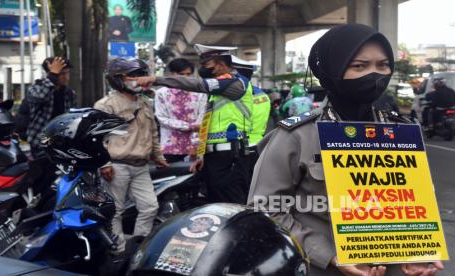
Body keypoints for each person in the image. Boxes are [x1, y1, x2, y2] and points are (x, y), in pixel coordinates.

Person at [247, 24, 445, 276]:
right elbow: (264, 209)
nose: (375, 75)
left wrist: (420, 252)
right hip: (321, 268)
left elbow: (415, 203)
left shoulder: (401, 132)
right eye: (359, 66)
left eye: (383, 65)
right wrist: (328, 256)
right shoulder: (297, 136)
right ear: (331, 70)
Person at [130, 44, 253, 204]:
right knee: (215, 201)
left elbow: (197, 85)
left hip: (231, 155)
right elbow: (207, 124)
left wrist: (156, 79)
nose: (206, 71)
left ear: (221, 65)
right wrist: (203, 154)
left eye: (208, 66)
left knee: (231, 202)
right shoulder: (219, 91)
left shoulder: (235, 84)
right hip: (215, 155)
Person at [94, 58, 168, 253]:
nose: (139, 80)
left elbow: (152, 133)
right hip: (117, 166)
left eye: (141, 75)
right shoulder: (106, 105)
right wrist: (104, 164)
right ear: (118, 79)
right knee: (116, 211)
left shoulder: (144, 103)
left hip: (141, 166)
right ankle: (117, 251)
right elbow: (96, 139)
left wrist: (158, 155)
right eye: (134, 76)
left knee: (150, 206)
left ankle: (137, 248)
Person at [155, 58, 207, 163]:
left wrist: (196, 144)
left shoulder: (200, 93)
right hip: (170, 148)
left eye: (189, 74)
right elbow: (162, 119)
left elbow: (202, 117)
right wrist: (190, 126)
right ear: (172, 74)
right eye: (182, 74)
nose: (186, 77)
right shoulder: (162, 93)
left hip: (195, 147)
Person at [230, 55, 271, 185]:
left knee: (241, 187)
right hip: (258, 145)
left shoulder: (238, 96)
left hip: (241, 147)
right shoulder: (262, 95)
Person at [26, 57, 75, 158]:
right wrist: (53, 75)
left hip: (61, 144)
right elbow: (40, 97)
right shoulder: (36, 88)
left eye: (68, 73)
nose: (66, 77)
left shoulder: (69, 93)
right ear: (50, 73)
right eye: (62, 73)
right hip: (40, 143)